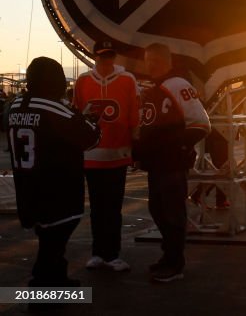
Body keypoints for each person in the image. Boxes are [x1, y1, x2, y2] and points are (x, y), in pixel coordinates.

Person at [5, 57, 100, 295]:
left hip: (28, 185)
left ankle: (58, 280)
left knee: (49, 237)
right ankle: (43, 292)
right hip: (56, 186)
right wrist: (90, 121)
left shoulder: (16, 106)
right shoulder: (53, 107)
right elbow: (89, 138)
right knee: (54, 240)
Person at [134, 43, 211, 283]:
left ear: (167, 61)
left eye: (155, 61)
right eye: (148, 61)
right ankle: (168, 257)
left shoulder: (177, 84)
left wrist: (178, 147)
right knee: (158, 210)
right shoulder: (154, 88)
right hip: (157, 164)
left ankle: (175, 264)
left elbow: (201, 123)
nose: (151, 65)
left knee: (173, 213)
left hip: (172, 164)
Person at [72, 39, 139, 272]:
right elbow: (77, 117)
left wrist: (136, 148)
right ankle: (98, 253)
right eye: (102, 57)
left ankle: (112, 254)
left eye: (110, 56)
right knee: (98, 207)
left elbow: (134, 116)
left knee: (113, 207)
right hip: (91, 156)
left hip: (118, 154)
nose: (106, 61)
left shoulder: (127, 80)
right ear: (95, 57)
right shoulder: (82, 81)